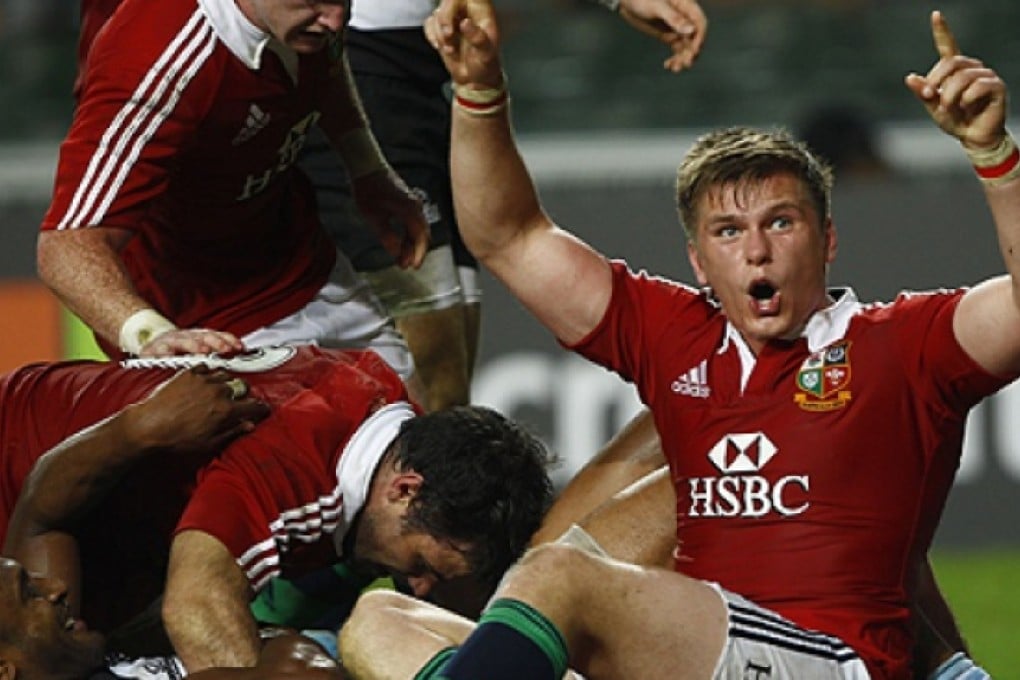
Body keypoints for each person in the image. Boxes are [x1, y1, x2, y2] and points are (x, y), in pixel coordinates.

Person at [339, 7, 1020, 679]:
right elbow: (509, 238)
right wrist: (479, 92)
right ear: (699, 261)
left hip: (832, 661)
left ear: (828, 239)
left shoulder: (903, 344)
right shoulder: (677, 337)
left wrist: (995, 156)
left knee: (560, 576)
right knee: (384, 624)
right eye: (728, 232)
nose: (757, 253)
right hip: (703, 653)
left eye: (781, 224)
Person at [0, 345, 554, 675]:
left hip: (76, 514)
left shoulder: (380, 410)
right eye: (423, 566)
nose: (420, 587)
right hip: (15, 471)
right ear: (404, 489)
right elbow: (195, 608)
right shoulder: (295, 467)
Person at [39, 0, 428, 386]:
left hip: (308, 268)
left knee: (413, 434)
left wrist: (369, 170)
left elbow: (326, 62)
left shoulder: (306, 23)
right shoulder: (161, 60)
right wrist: (153, 336)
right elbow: (65, 245)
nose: (337, 19)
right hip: (211, 328)